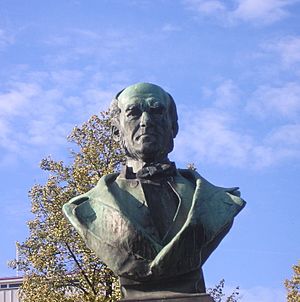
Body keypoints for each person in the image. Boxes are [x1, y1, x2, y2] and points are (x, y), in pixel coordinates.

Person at [63, 83, 245, 300]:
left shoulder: (217, 201)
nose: (146, 121)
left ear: (173, 127)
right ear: (115, 130)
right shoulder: (85, 209)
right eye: (133, 113)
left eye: (156, 111)